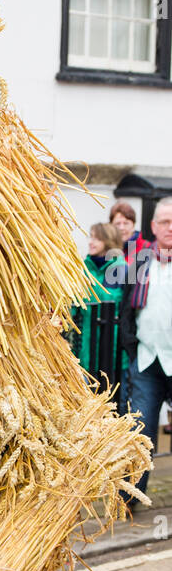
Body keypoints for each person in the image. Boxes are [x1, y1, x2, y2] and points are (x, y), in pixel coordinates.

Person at [120, 197, 172, 499]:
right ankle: (131, 498)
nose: (169, 228)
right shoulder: (140, 262)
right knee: (140, 432)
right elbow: (127, 308)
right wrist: (131, 346)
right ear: (153, 226)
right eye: (164, 222)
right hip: (147, 360)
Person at [73, 223, 127, 396]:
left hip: (112, 349)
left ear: (108, 241)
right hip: (84, 347)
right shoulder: (83, 268)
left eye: (96, 238)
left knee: (112, 403)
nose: (91, 242)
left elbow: (112, 302)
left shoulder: (122, 269)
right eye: (91, 237)